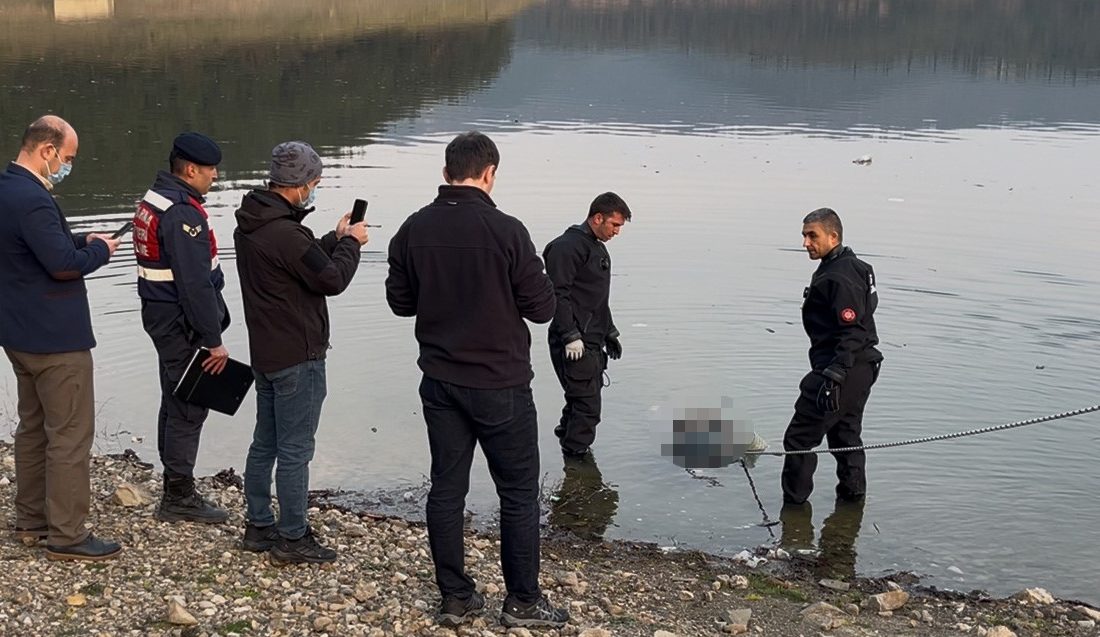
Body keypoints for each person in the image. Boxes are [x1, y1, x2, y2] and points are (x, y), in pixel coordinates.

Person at [386, 132, 568, 629]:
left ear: (447, 172)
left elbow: (400, 303)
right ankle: (523, 602)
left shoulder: (412, 228)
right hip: (500, 382)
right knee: (517, 492)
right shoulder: (508, 230)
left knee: (446, 489)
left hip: (440, 380)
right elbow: (542, 309)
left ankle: (456, 597)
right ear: (489, 173)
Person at [234, 141, 366, 563]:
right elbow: (330, 279)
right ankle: (293, 537)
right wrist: (353, 244)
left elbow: (301, 260)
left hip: (266, 352)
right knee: (295, 450)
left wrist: (334, 236)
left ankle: (258, 525)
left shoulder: (253, 224)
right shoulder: (286, 233)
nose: (316, 188)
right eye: (314, 182)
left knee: (265, 443)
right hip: (298, 355)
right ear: (300, 184)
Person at [0, 115, 122, 560]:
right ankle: (67, 536)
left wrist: (77, 238)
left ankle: (31, 521)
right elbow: (63, 266)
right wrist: (100, 251)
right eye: (67, 158)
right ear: (47, 150)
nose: (67, 166)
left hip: (17, 334)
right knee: (69, 435)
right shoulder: (33, 198)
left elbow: (33, 244)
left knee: (32, 429)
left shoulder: (7, 188)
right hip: (56, 339)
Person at [133, 132, 231, 523]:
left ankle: (175, 484)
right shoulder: (182, 213)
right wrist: (213, 341)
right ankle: (178, 495)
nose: (215, 177)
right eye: (210, 170)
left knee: (173, 397)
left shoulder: (154, 197)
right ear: (190, 169)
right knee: (190, 404)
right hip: (180, 321)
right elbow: (194, 285)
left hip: (159, 315)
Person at [782, 208, 882, 504]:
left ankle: (793, 513)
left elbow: (852, 329)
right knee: (845, 437)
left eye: (812, 235)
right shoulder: (851, 266)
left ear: (833, 235)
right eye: (803, 235)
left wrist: (835, 376)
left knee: (799, 440)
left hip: (843, 366)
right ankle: (851, 508)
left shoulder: (841, 276)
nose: (805, 243)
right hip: (861, 366)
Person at [543, 192, 631, 457]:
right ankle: (577, 461)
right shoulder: (566, 248)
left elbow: (595, 299)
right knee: (587, 407)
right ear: (597, 217)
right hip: (573, 342)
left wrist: (610, 332)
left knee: (580, 400)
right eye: (614, 225)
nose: (617, 232)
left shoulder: (596, 247)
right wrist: (570, 334)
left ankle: (565, 439)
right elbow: (558, 294)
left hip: (592, 340)